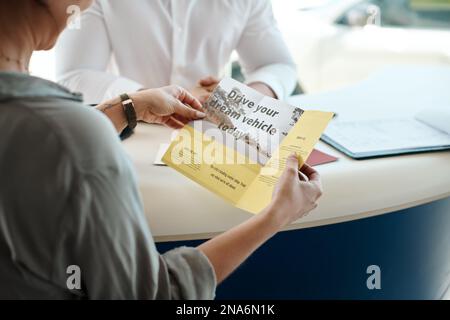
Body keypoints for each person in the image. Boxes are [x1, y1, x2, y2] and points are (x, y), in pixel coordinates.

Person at [0, 0, 322, 299]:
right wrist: (277, 214)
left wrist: (128, 106)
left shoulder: (50, 130)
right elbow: (157, 294)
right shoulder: (75, 141)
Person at [55, 0, 298, 105]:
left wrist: (243, 98)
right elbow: (75, 75)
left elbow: (277, 64)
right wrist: (148, 100)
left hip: (211, 141)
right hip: (128, 133)